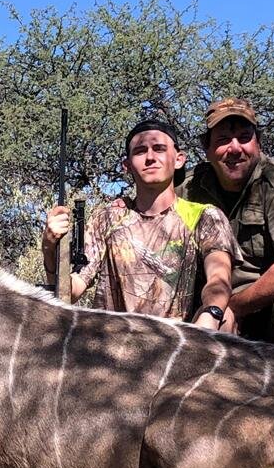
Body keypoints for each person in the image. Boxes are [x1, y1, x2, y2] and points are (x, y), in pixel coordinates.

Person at [177, 98, 274, 368]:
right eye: (224, 139)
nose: (235, 148)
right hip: (212, 307)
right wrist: (127, 205)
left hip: (268, 305)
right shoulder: (190, 186)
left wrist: (234, 308)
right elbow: (150, 202)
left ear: (257, 142)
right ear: (207, 148)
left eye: (244, 137)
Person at [42, 119, 239, 330]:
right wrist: (49, 248)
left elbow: (218, 278)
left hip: (182, 346)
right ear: (127, 166)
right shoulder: (107, 218)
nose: (151, 157)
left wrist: (211, 315)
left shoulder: (205, 216)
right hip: (115, 342)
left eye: (159, 149)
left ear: (179, 159)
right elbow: (71, 291)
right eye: (140, 151)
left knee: (224, 317)